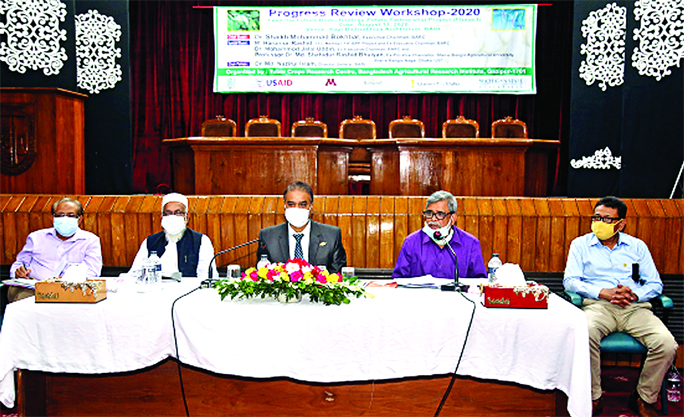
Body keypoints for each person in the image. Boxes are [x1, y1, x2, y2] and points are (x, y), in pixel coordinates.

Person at [564, 196, 677, 417]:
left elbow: (655, 284)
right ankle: (594, 397)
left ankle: (643, 398)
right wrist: (602, 292)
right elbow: (570, 281)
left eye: (607, 219)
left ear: (621, 223)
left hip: (634, 308)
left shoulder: (637, 246)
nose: (599, 222)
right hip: (598, 306)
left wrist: (635, 294)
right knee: (584, 334)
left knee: (666, 344)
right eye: (596, 217)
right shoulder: (580, 245)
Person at [9, 198, 103, 302]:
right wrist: (18, 272)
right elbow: (19, 264)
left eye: (71, 215)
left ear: (80, 219)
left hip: (70, 290)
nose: (65, 219)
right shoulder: (36, 237)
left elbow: (92, 271)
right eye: (60, 215)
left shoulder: (90, 240)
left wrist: (67, 280)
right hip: (33, 289)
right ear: (53, 218)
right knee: (22, 299)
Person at [392, 190, 487, 279]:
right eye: (429, 213)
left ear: (453, 218)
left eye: (440, 214)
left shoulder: (470, 244)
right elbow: (398, 280)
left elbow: (479, 282)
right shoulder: (411, 242)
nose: (433, 219)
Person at [256, 181, 347, 273]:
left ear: (311, 207)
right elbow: (263, 274)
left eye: (302, 205)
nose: (296, 209)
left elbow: (336, 275)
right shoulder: (268, 236)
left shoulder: (331, 235)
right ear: (284, 206)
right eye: (291, 204)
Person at [127, 193, 218, 279]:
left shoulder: (201, 241)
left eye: (178, 212)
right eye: (168, 213)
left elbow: (207, 276)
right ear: (162, 217)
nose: (172, 217)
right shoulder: (150, 241)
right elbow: (135, 274)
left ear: (187, 217)